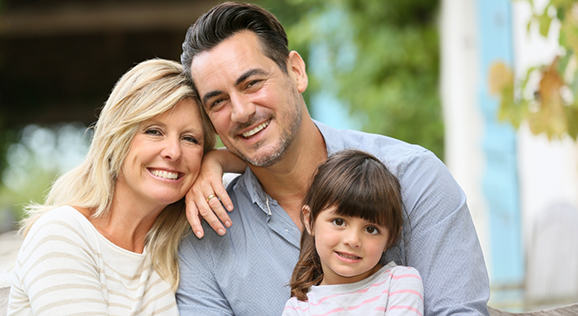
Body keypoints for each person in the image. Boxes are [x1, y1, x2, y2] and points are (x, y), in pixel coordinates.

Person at [175, 2, 490, 315]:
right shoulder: (204, 237)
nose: (241, 112)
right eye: (218, 101)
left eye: (253, 83)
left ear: (296, 72)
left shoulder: (413, 178)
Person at [6, 59, 216, 315]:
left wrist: (216, 161)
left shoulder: (173, 240)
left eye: (190, 139)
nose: (173, 152)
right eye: (153, 131)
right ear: (118, 137)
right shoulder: (62, 234)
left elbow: (267, 164)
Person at [283, 149, 423, 315]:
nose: (353, 240)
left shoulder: (400, 283)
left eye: (371, 229)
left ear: (390, 238)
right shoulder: (298, 309)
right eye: (339, 222)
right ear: (309, 220)